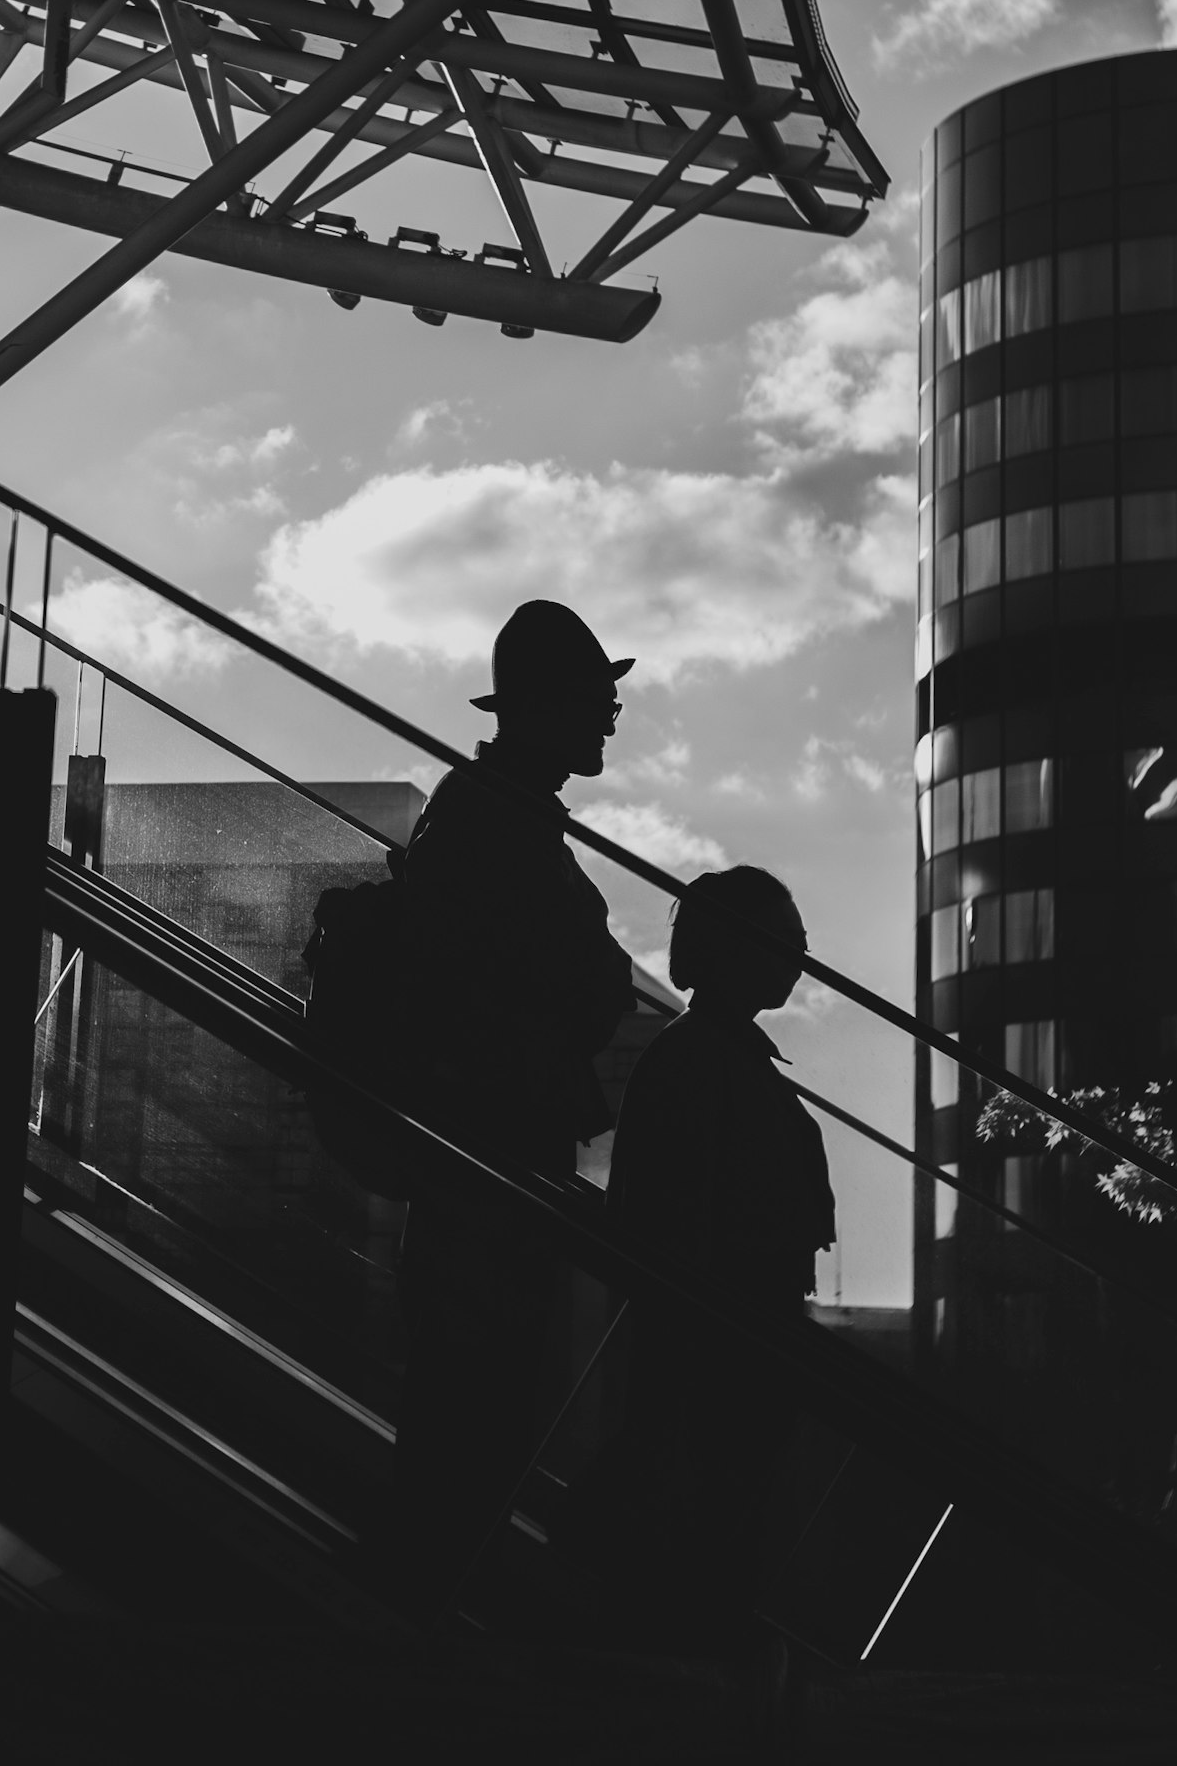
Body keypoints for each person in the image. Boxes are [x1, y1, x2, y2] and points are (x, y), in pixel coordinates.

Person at [383, 598, 638, 1599]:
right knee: (475, 1408)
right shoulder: (498, 821)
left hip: (481, 1162)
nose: (610, 720)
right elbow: (537, 978)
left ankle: (421, 1609)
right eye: (597, 700)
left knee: (470, 1408)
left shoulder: (489, 812)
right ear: (543, 705)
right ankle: (418, 1622)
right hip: (484, 1164)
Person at [603, 865, 834, 1693]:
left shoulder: (705, 1058)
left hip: (724, 1357)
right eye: (782, 941)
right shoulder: (707, 1063)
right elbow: (681, 1231)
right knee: (712, 1551)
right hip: (721, 1359)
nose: (798, 959)